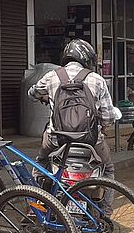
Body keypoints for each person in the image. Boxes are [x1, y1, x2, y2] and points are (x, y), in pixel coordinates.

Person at [28, 39, 117, 185]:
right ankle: (106, 208)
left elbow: (32, 94)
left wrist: (45, 96)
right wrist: (102, 126)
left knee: (41, 164)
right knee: (108, 169)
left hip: (56, 139)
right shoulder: (97, 79)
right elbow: (108, 117)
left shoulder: (52, 76)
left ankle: (36, 204)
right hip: (90, 140)